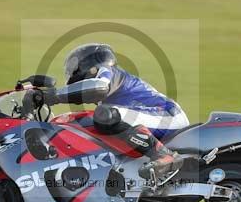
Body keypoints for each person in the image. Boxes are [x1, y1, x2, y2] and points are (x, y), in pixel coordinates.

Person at [43, 43, 189, 179]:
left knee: (105, 115)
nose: (72, 73)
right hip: (158, 118)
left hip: (167, 115)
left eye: (74, 67)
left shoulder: (107, 72)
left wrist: (54, 96)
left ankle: (165, 156)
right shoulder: (109, 92)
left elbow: (98, 87)